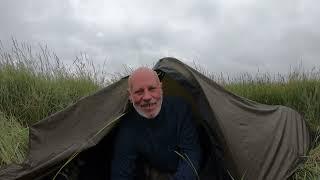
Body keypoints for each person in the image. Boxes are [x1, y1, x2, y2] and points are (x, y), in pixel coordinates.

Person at [111, 67, 202, 180]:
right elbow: (121, 171)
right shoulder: (128, 126)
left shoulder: (180, 109)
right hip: (154, 169)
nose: (147, 97)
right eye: (139, 92)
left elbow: (191, 153)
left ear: (161, 89)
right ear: (130, 96)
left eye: (152, 89)